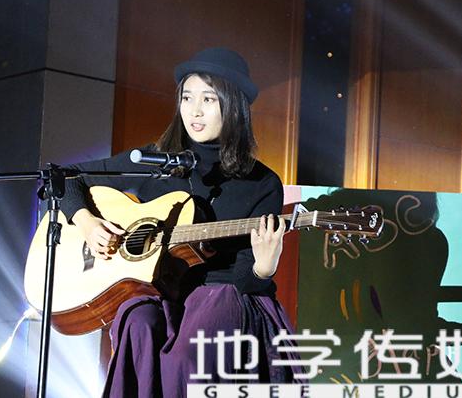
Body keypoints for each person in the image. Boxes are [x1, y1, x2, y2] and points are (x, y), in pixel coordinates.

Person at [60, 47, 302, 397]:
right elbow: (65, 178)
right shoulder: (154, 162)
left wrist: (263, 270)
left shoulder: (262, 183)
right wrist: (87, 222)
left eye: (208, 99)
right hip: (156, 287)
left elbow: (244, 279)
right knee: (138, 320)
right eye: (187, 98)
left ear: (233, 106)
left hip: (221, 293)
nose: (195, 110)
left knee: (190, 349)